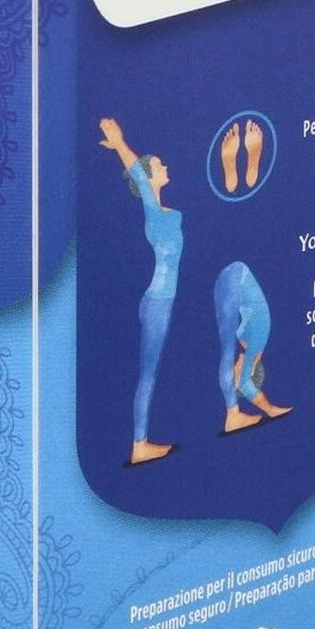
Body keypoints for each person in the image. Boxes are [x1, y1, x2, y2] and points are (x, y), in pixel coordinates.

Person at [99, 117, 181, 465]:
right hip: (158, 302)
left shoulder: (168, 213)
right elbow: (137, 173)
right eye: (159, 165)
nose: (165, 167)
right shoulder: (154, 213)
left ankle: (142, 441)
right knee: (147, 374)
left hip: (162, 300)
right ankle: (139, 445)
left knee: (153, 371)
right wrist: (120, 143)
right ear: (148, 178)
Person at [213, 261, 293, 433]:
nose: (237, 366)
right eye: (238, 369)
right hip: (234, 277)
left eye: (235, 369)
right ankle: (233, 416)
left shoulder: (250, 339)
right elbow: (243, 383)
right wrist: (271, 410)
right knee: (227, 354)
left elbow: (243, 383)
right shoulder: (255, 346)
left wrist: (271, 410)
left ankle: (232, 415)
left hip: (229, 278)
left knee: (227, 353)